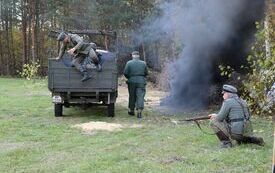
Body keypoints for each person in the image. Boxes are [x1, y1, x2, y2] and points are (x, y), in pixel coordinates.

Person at [124, 51, 148, 118]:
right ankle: (139, 112)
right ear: (138, 56)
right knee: (140, 96)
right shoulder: (143, 63)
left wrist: (129, 78)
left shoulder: (129, 63)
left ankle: (131, 110)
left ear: (132, 56)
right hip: (141, 82)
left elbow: (125, 73)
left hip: (131, 81)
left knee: (132, 96)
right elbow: (146, 73)